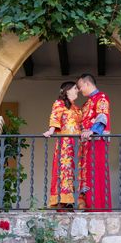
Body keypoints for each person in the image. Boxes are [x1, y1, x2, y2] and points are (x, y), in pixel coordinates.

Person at [43, 81, 81, 209]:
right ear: (67, 90)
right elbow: (55, 117)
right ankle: (62, 201)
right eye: (75, 88)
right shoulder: (59, 104)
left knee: (76, 171)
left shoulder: (76, 108)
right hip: (65, 143)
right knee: (64, 171)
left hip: (77, 145)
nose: (78, 90)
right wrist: (50, 131)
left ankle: (74, 200)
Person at [77, 73, 112, 211]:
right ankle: (87, 205)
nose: (79, 90)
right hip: (86, 144)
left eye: (80, 87)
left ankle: (98, 207)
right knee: (86, 173)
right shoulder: (86, 103)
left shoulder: (101, 97)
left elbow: (102, 116)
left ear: (87, 84)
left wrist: (92, 131)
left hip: (97, 141)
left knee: (96, 172)